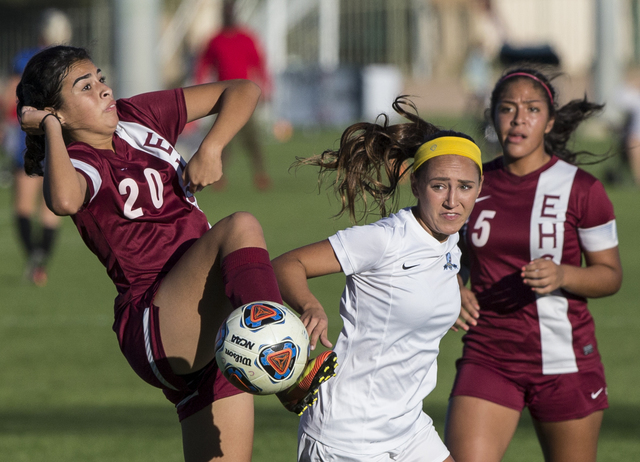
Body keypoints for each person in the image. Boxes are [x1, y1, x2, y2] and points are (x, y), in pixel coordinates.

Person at [17, 45, 335, 462]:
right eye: (86, 87)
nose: (103, 89)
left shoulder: (136, 117)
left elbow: (243, 90)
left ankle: (269, 349)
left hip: (210, 325)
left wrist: (213, 145)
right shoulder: (81, 160)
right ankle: (285, 365)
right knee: (240, 226)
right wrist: (53, 130)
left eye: (100, 77)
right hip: (155, 319)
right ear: (56, 112)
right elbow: (63, 200)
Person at [272, 97, 484, 462]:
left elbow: (436, 269)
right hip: (347, 434)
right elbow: (286, 264)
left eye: (465, 186)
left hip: (406, 427)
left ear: (479, 188)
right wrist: (309, 305)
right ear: (416, 184)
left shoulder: (451, 241)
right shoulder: (385, 239)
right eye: (439, 186)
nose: (453, 200)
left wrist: (455, 292)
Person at [445, 68, 623, 462]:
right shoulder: (472, 184)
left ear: (550, 120)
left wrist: (564, 274)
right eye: (507, 109)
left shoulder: (583, 190)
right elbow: (448, 256)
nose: (518, 118)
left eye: (531, 109)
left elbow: (610, 275)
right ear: (493, 116)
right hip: (489, 353)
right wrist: (454, 288)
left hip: (566, 359)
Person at [1, 9, 72, 285]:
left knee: (22, 208)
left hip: (27, 138)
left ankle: (34, 258)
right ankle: (41, 259)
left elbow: (8, 97)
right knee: (51, 207)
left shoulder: (23, 58)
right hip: (59, 139)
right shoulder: (70, 62)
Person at [194, 0, 271, 191]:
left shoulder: (246, 38)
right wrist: (200, 85)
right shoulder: (215, 40)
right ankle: (218, 177)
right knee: (221, 138)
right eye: (225, 12)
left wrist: (266, 87)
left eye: (231, 11)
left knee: (252, 139)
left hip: (245, 97)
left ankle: (260, 174)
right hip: (223, 96)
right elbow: (203, 65)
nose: (228, 15)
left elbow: (259, 64)